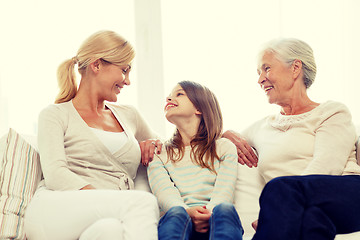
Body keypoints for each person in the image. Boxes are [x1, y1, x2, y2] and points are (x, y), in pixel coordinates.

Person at [24, 30, 160, 240]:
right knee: (143, 202)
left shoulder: (130, 115)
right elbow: (56, 174)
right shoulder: (54, 115)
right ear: (96, 65)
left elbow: (170, 146)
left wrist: (155, 143)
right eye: (124, 70)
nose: (127, 81)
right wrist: (107, 199)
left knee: (111, 231)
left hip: (105, 215)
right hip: (54, 210)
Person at [222, 38, 360, 239]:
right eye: (259, 73)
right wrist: (227, 134)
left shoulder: (332, 112)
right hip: (305, 210)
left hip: (348, 194)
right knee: (312, 222)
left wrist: (277, 211)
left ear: (295, 68)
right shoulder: (261, 127)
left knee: (280, 187)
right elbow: (216, 141)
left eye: (266, 68)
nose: (260, 79)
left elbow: (326, 166)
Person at [147, 81, 243, 240]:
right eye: (169, 96)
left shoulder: (224, 147)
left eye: (179, 94)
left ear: (199, 108)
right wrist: (187, 212)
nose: (169, 99)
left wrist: (208, 213)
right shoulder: (158, 153)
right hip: (180, 222)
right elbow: (165, 193)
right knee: (175, 212)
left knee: (225, 208)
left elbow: (224, 191)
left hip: (215, 221)